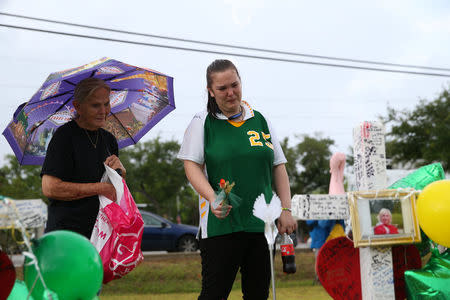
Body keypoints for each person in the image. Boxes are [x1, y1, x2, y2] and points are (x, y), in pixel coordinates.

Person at [177, 59, 297, 300]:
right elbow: (191, 167)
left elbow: (279, 167)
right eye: (222, 88)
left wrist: (285, 208)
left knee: (257, 295)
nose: (230, 93)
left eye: (235, 85)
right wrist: (212, 197)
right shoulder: (202, 123)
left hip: (261, 226)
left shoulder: (261, 120)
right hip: (221, 226)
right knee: (214, 295)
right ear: (210, 91)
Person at [41, 78, 126, 239]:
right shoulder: (64, 136)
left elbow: (114, 191)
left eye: (106, 104)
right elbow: (50, 188)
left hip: (100, 234)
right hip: (67, 235)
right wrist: (100, 188)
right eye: (95, 105)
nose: (103, 111)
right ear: (78, 107)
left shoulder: (109, 140)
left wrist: (121, 173)